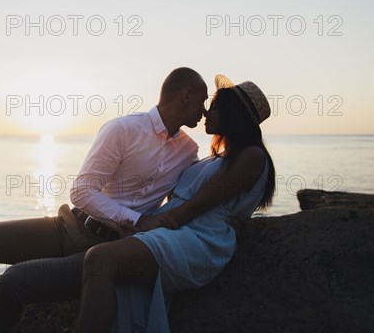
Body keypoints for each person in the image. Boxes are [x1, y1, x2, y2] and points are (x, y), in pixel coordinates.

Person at [0, 67, 209, 333]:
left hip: (105, 251)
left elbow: (195, 195)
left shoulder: (188, 151)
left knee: (14, 281)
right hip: (69, 227)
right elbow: (82, 191)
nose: (204, 110)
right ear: (186, 94)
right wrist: (139, 220)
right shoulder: (123, 129)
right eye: (202, 100)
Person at [76, 74, 276, 333]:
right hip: (181, 232)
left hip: (200, 239)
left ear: (232, 113)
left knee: (100, 259)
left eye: (213, 106)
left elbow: (202, 203)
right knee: (106, 265)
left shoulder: (252, 156)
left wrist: (146, 226)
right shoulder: (216, 158)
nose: (206, 112)